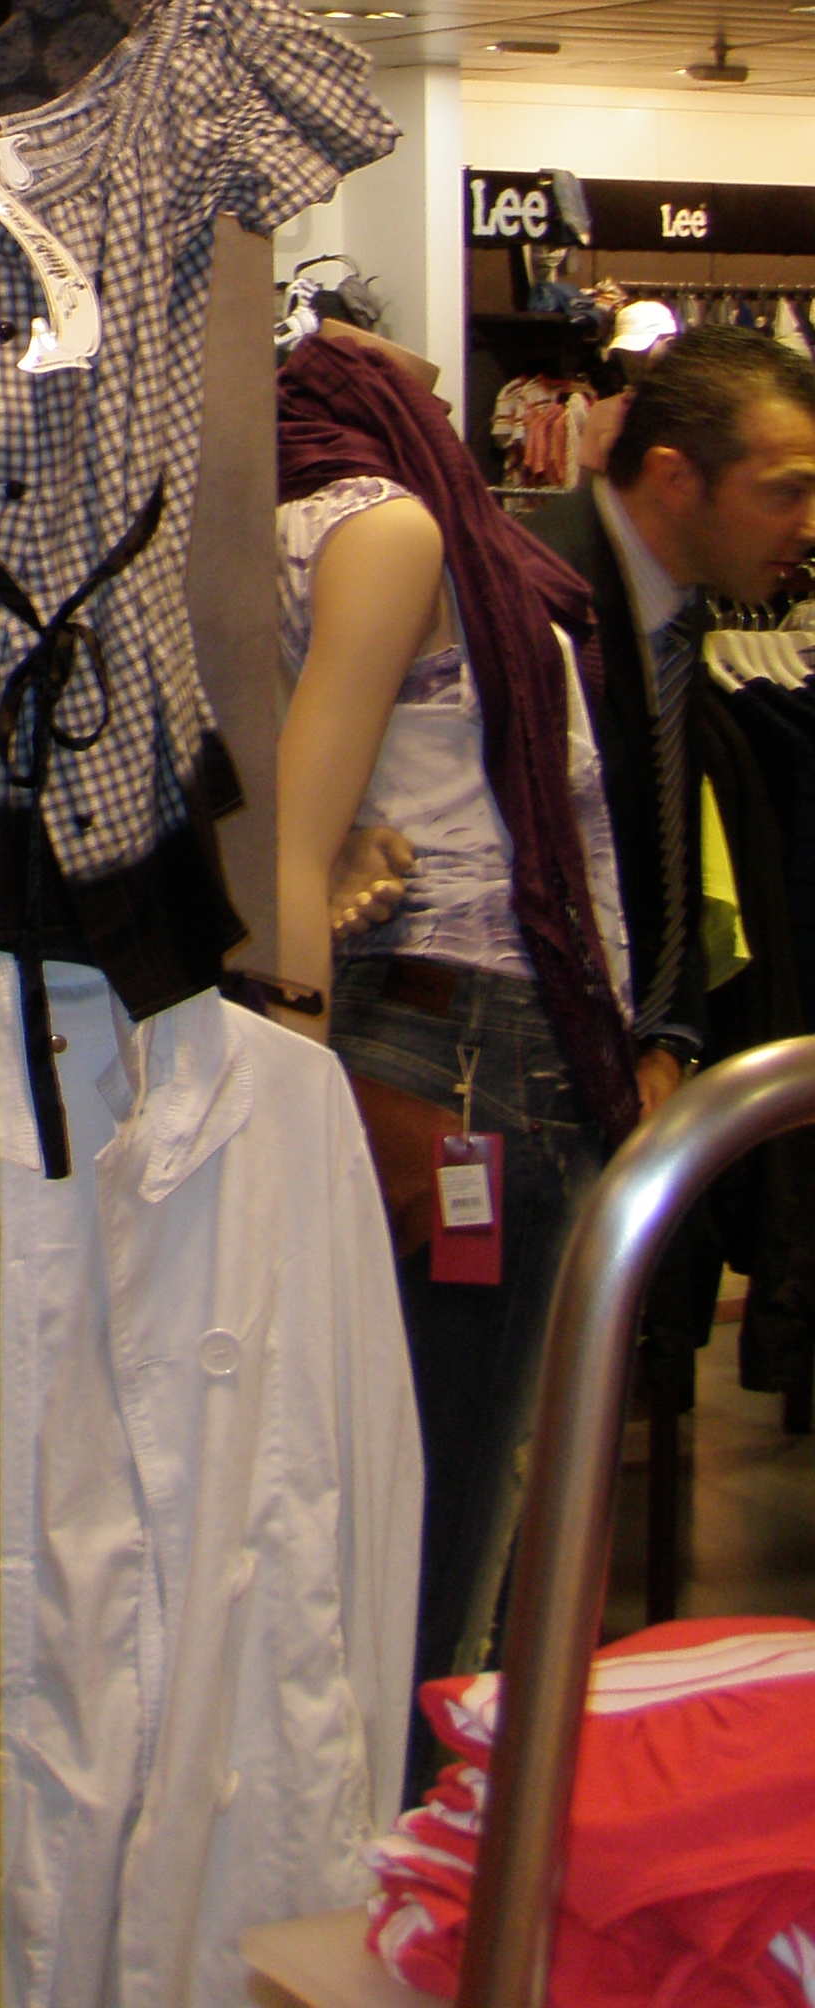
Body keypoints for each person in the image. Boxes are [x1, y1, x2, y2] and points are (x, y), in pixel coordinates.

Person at [273, 322, 641, 1798]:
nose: (438, 385)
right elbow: (288, 830)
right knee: (447, 1506)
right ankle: (415, 1846)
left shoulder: (279, 524)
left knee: (379, 1490)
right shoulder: (386, 527)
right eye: (412, 376)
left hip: (413, 1040)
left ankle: (377, 1825)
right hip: (465, 1050)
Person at [528, 326, 815, 1118]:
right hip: (539, 1078)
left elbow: (666, 849)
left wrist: (669, 1039)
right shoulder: (540, 604)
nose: (809, 525)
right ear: (675, 478)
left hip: (624, 1073)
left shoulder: (675, 605)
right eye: (786, 492)